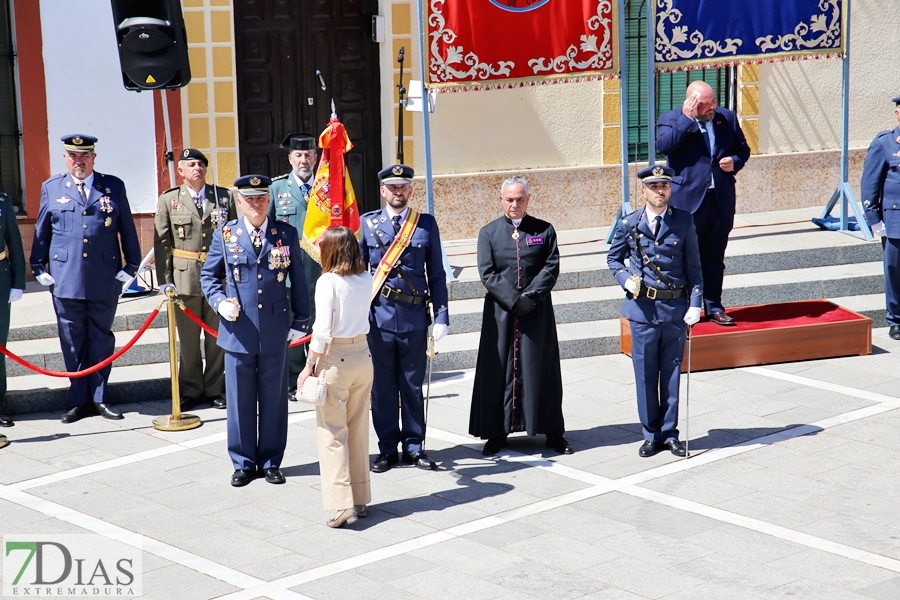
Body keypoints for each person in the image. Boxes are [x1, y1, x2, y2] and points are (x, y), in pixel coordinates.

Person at [201, 175, 310, 487]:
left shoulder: (284, 233)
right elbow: (209, 276)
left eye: (261, 198)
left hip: (276, 329)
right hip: (238, 331)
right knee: (240, 401)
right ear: (239, 202)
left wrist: (301, 322)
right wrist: (220, 302)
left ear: (269, 200)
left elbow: (299, 281)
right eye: (249, 199)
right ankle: (244, 463)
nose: (256, 204)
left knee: (274, 400)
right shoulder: (226, 234)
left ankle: (272, 460)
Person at [30, 135, 142, 423]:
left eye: (84, 156)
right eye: (73, 156)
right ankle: (79, 400)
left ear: (94, 158)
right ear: (66, 158)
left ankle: (101, 398)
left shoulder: (112, 186)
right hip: (65, 278)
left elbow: (127, 228)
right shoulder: (52, 187)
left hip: (104, 276)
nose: (79, 161)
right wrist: (38, 266)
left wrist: (131, 267)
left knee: (101, 339)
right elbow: (43, 229)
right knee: (72, 340)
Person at [469, 175, 572, 456]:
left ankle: (553, 431)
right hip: (500, 314)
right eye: (510, 199)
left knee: (542, 368)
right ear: (501, 200)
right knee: (497, 370)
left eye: (520, 199)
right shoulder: (488, 233)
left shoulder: (544, 229)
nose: (515, 204)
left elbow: (551, 267)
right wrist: (514, 301)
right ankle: (495, 433)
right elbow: (487, 272)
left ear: (528, 199)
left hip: (536, 312)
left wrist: (530, 298)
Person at [607, 165, 703, 457]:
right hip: (642, 311)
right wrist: (626, 280)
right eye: (653, 187)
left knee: (671, 373)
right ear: (644, 191)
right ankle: (651, 434)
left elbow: (694, 267)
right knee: (646, 375)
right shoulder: (629, 223)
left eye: (664, 186)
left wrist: (696, 304)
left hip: (674, 310)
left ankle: (670, 434)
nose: (659, 191)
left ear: (670, 190)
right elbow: (613, 259)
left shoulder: (684, 222)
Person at [360, 164, 449, 473]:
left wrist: (442, 316)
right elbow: (359, 275)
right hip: (378, 320)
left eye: (404, 187)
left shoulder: (425, 225)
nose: (398, 192)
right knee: (382, 388)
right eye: (392, 187)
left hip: (414, 318)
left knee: (412, 386)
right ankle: (386, 449)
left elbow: (436, 274)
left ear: (411, 190)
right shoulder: (367, 224)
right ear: (383, 191)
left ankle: (414, 446)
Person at [656, 80, 750, 326]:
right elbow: (664, 146)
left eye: (714, 102)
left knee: (714, 256)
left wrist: (734, 162)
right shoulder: (671, 119)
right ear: (692, 103)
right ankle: (686, 308)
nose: (711, 108)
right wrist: (686, 120)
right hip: (688, 201)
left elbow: (743, 149)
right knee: (683, 256)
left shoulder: (726, 118)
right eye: (705, 105)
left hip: (719, 199)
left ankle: (714, 307)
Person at [298, 226, 374, 528]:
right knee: (357, 430)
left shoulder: (327, 281)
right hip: (362, 355)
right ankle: (359, 498)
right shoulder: (365, 277)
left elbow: (322, 331)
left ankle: (342, 505)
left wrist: (308, 366)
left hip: (336, 358)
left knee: (332, 433)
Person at [154, 148, 236, 411]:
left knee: (217, 338)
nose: (197, 168)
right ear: (181, 171)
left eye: (201, 164)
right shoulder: (169, 200)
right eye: (191, 165)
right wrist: (165, 280)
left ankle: (214, 388)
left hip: (218, 278)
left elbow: (233, 237)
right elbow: (162, 242)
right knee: (188, 341)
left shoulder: (223, 197)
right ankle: (190, 389)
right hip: (184, 278)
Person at [268, 133, 323, 400]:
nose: (304, 160)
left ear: (316, 157)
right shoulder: (276, 189)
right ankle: (292, 379)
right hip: (288, 270)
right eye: (299, 155)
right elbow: (266, 231)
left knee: (320, 322)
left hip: (321, 270)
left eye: (309, 155)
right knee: (292, 325)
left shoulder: (327, 187)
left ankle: (317, 372)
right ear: (290, 159)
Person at [861, 95, 900, 341]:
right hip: (896, 218)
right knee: (895, 270)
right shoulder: (885, 143)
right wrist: (873, 218)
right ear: (897, 114)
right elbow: (870, 183)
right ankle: (896, 319)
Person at [0, 190, 25, 433]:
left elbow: (14, 243)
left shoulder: (3, 202)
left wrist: (18, 282)